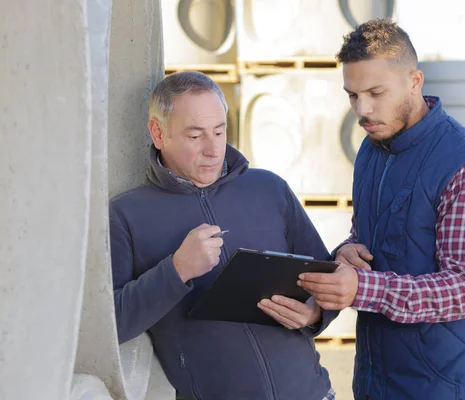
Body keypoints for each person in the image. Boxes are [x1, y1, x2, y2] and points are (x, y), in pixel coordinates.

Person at [298, 19, 465, 400]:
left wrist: (361, 287)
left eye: (376, 92)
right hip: (376, 383)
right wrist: (350, 250)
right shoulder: (372, 150)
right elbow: (377, 239)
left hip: (446, 389)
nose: (362, 110)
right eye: (352, 95)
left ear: (415, 81)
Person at [110, 71, 337, 400]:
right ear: (158, 133)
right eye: (195, 136)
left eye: (219, 131)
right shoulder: (125, 215)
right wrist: (177, 270)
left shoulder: (269, 189)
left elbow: (325, 277)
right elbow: (112, 324)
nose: (214, 149)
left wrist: (316, 313)